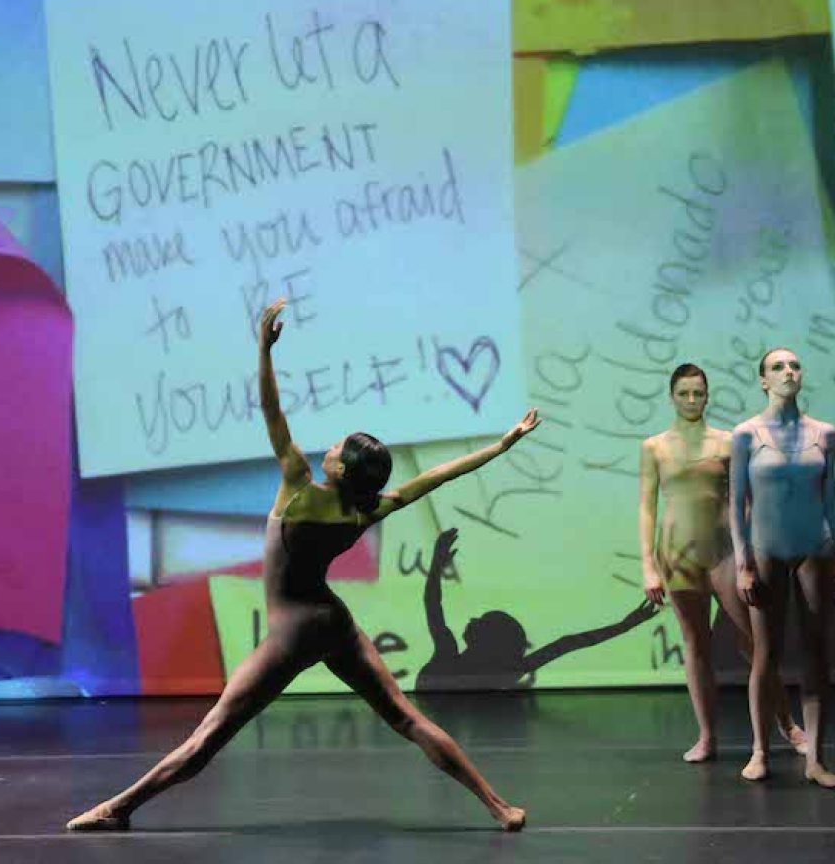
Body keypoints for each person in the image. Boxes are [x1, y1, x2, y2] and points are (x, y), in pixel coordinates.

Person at [67, 298, 541, 834]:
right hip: (332, 623)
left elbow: (271, 410)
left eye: (337, 446)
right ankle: (500, 807)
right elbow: (436, 477)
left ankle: (118, 807)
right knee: (407, 718)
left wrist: (263, 352)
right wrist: (500, 446)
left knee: (209, 736)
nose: (330, 445)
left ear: (339, 466)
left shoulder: (298, 486)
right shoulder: (368, 508)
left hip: (292, 632)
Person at [640, 363, 807, 764]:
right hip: (678, 556)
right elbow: (647, 507)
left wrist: (749, 553)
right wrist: (648, 565)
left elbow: (743, 502)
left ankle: (789, 725)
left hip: (725, 554)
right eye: (684, 393)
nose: (692, 400)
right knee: (696, 645)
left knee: (755, 643)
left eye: (699, 393)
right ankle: (707, 736)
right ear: (671, 397)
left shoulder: (729, 442)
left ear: (708, 395)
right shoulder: (655, 447)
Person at [731, 348, 835, 785]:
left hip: (815, 549)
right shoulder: (746, 434)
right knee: (766, 654)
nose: (788, 371)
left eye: (794, 365)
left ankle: (815, 759)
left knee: (816, 655)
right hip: (767, 549)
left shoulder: (825, 433)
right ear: (763, 381)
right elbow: (736, 502)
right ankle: (760, 751)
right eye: (778, 367)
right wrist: (742, 563)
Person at [418, 529, 656, 692]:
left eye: (481, 621)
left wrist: (437, 563)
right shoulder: (508, 671)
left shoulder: (449, 654)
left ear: (489, 638)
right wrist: (626, 625)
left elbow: (433, 605)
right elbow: (569, 642)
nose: (472, 619)